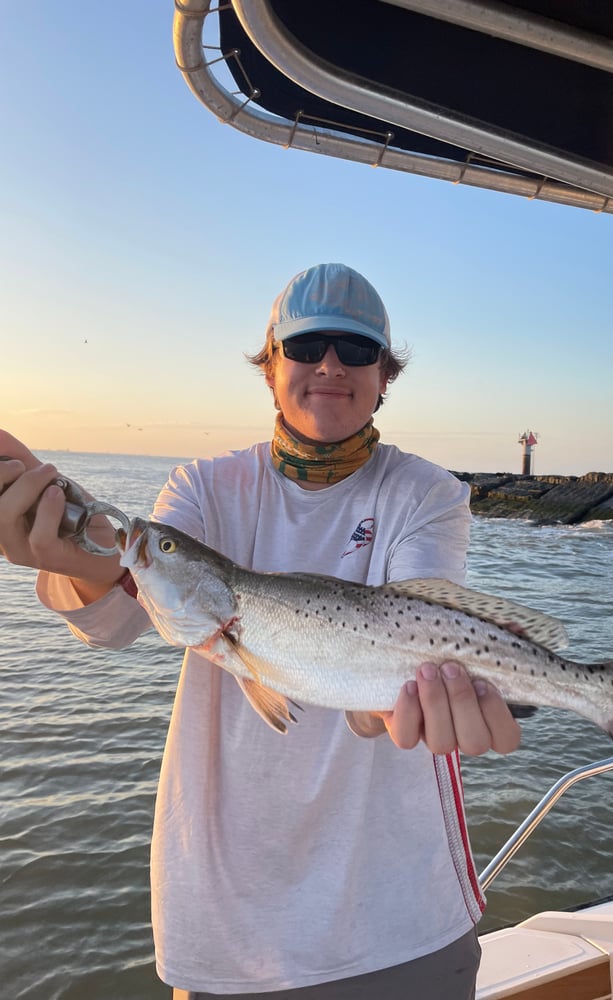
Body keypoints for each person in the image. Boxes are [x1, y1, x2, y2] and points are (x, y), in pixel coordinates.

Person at [0, 262, 521, 999]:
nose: (330, 366)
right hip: (225, 920)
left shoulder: (427, 492)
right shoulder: (201, 487)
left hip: (402, 909)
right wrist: (69, 552)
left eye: (356, 348)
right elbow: (118, 616)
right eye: (306, 348)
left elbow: (417, 626)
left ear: (384, 375)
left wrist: (390, 708)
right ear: (271, 366)